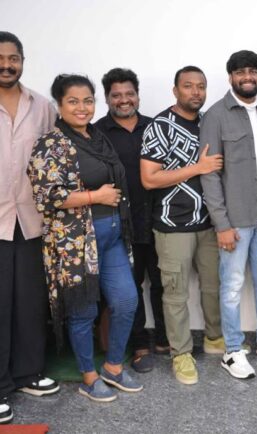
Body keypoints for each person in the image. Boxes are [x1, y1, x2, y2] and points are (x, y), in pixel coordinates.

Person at [28, 74, 142, 402]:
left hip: (112, 235)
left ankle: (113, 367)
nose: (82, 107)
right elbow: (46, 196)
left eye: (88, 100)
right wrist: (95, 197)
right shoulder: (51, 143)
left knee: (126, 301)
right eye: (73, 101)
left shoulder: (97, 136)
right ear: (59, 105)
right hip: (76, 243)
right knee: (83, 311)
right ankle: (88, 376)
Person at [200, 50, 257, 380]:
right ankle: (233, 350)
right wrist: (221, 224)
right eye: (240, 72)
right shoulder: (215, 116)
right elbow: (209, 174)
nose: (247, 77)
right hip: (235, 220)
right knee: (233, 286)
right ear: (231, 77)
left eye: (253, 71)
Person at [140, 66, 223, 385]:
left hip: (209, 223)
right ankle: (181, 353)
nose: (196, 92)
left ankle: (215, 338)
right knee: (175, 293)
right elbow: (149, 179)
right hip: (172, 224)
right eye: (188, 86)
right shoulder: (160, 126)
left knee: (213, 285)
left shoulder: (209, 122)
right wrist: (197, 168)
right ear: (175, 90)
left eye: (201, 86)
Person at [0, 31, 59, 424]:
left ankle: (27, 373)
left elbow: (54, 157)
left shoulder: (42, 107)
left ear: (22, 61)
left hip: (32, 219)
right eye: (0, 58)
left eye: (13, 58)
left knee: (29, 302)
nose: (7, 65)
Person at [95, 68, 169, 374]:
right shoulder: (97, 133)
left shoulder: (156, 126)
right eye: (116, 95)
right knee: (131, 287)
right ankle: (139, 345)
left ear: (137, 95)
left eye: (129, 94)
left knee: (163, 284)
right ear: (107, 98)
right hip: (121, 224)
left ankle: (165, 339)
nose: (124, 100)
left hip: (160, 219)